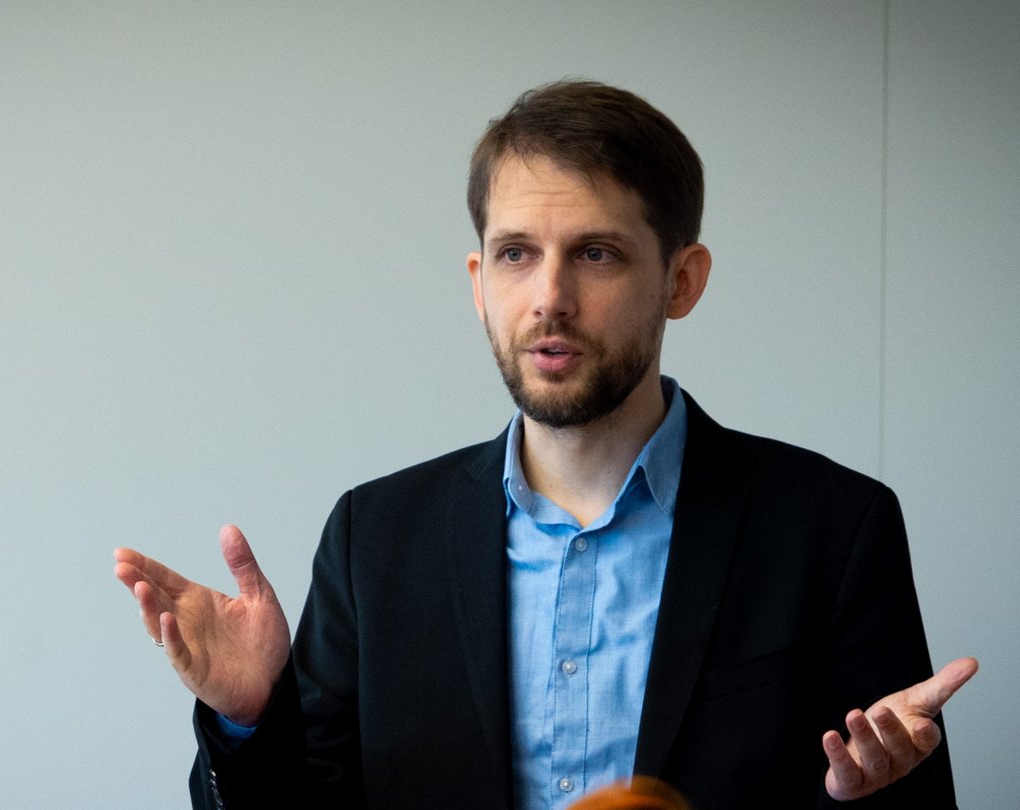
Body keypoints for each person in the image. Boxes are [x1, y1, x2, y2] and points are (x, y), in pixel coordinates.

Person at [113, 80, 977, 809]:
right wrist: (250, 720)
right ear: (479, 284)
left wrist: (872, 799)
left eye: (597, 254)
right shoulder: (373, 537)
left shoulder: (834, 528)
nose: (550, 298)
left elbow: (894, 787)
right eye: (517, 254)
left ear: (682, 281)